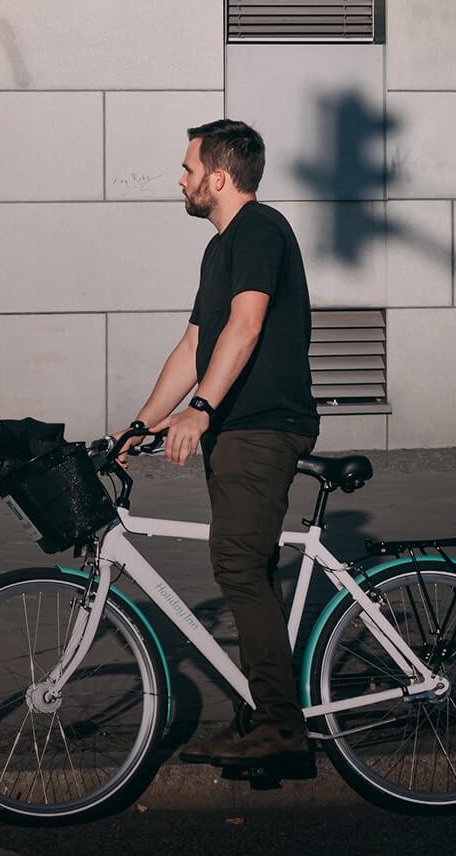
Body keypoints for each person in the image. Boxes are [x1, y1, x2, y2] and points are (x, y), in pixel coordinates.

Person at [115, 119, 320, 770]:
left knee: (234, 562)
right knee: (249, 566)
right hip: (236, 430)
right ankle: (263, 715)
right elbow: (193, 346)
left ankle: (281, 729)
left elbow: (248, 323)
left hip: (263, 426)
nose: (180, 178)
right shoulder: (220, 249)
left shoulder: (260, 230)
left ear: (219, 177)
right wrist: (142, 424)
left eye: (187, 168)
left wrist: (199, 409)